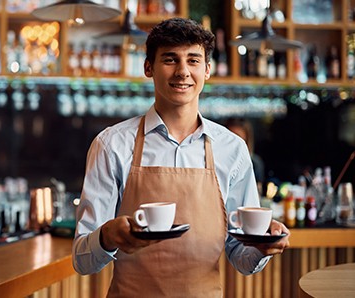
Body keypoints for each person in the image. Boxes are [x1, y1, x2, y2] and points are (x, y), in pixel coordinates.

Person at [72, 17, 290, 297]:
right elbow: (82, 259)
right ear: (148, 67)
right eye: (170, 59)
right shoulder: (111, 144)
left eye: (194, 60)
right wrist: (106, 237)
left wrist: (262, 248)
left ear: (208, 70)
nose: (183, 71)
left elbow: (241, 257)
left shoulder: (232, 149)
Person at [225, 117, 265, 196]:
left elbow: (256, 193)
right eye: (230, 137)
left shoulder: (255, 163)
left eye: (238, 138)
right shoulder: (214, 162)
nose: (233, 142)